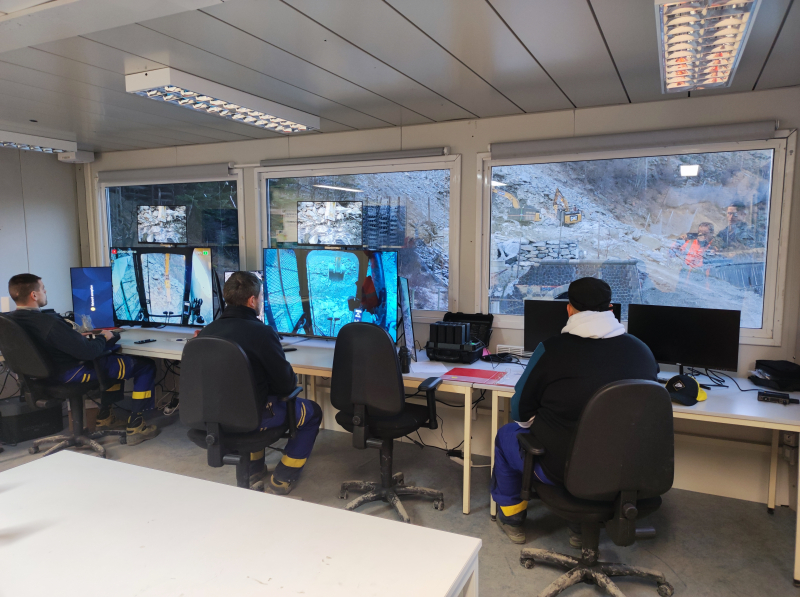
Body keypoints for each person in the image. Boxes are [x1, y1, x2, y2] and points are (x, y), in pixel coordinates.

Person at [491, 277, 658, 545]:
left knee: (507, 435)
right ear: (611, 309)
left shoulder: (551, 350)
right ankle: (579, 527)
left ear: (569, 309)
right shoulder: (642, 351)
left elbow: (520, 412)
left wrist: (540, 422)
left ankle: (513, 519)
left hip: (561, 469)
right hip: (628, 469)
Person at [197, 271, 321, 495]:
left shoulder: (206, 333)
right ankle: (283, 478)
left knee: (250, 402)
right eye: (261, 297)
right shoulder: (262, 333)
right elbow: (286, 386)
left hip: (215, 419)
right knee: (312, 413)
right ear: (252, 300)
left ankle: (254, 470)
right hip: (255, 418)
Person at [6, 274, 159, 445]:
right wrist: (104, 337)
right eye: (43, 288)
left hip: (44, 376)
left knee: (113, 362)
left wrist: (76, 338)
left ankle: (105, 417)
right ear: (34, 295)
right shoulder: (48, 322)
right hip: (73, 372)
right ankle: (136, 426)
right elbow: (89, 352)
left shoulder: (9, 320)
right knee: (145, 366)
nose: (45, 291)